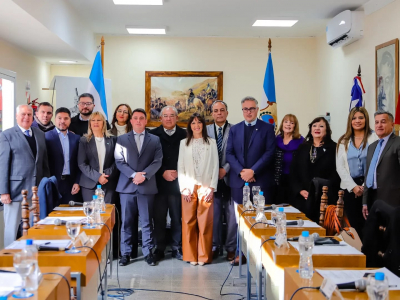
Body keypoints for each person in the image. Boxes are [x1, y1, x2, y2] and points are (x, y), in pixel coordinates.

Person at [226, 96, 275, 265]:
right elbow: (229, 154)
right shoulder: (234, 129)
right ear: (242, 110)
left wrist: (253, 171)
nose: (248, 112)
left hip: (260, 180)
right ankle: (241, 253)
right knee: (241, 221)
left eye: (252, 108)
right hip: (239, 182)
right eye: (245, 109)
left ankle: (260, 255)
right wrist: (242, 172)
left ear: (257, 110)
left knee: (259, 219)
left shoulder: (267, 129)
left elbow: (269, 153)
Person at [114, 108, 162, 266]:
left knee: (147, 222)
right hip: (127, 187)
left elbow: (157, 161)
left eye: (142, 118)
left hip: (147, 187)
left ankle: (148, 253)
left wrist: (144, 175)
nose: (139, 121)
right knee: (126, 222)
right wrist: (134, 175)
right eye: (135, 118)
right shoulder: (121, 139)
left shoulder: (154, 140)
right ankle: (125, 254)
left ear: (146, 120)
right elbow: (119, 161)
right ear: (131, 121)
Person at [0, 105, 50, 247]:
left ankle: (29, 256)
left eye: (29, 114)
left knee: (34, 227)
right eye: (23, 114)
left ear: (33, 117)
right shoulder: (6, 135)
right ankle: (9, 260)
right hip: (15, 191)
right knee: (12, 228)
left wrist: (45, 185)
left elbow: (43, 162)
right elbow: (3, 165)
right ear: (16, 116)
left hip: (36, 191)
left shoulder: (39, 134)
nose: (26, 117)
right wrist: (3, 192)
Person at [178, 113, 219, 266]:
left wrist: (212, 187)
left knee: (205, 223)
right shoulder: (184, 143)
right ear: (189, 126)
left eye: (199, 122)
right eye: (193, 123)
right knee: (188, 221)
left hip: (206, 187)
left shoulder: (211, 143)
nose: (196, 125)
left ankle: (203, 256)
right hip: (188, 187)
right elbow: (180, 167)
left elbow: (215, 165)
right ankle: (190, 256)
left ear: (203, 125)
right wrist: (184, 189)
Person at [149, 106, 186, 261]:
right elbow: (149, 159)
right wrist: (162, 171)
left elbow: (189, 158)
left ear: (177, 118)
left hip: (178, 183)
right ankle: (160, 248)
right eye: (165, 116)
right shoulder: (152, 135)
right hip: (159, 183)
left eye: (172, 116)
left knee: (177, 217)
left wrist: (179, 171)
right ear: (161, 118)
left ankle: (177, 247)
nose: (169, 118)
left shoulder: (185, 134)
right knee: (159, 218)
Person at [336, 107, 377, 239]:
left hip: (370, 186)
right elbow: (340, 167)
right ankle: (357, 253)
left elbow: (376, 163)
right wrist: (353, 187)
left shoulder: (374, 137)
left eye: (361, 117)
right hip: (350, 188)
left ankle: (369, 256)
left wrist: (365, 186)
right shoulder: (343, 140)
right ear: (350, 121)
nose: (357, 121)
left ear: (366, 119)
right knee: (354, 224)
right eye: (354, 118)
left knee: (369, 224)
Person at [291, 117, 340, 220]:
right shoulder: (303, 147)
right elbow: (294, 172)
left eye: (321, 126)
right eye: (314, 126)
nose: (317, 128)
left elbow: (336, 174)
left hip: (324, 198)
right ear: (310, 130)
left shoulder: (334, 148)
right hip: (303, 197)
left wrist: (321, 191)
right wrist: (300, 190)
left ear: (327, 130)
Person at [206, 101, 236, 261]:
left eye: (222, 110)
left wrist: (225, 168)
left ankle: (231, 248)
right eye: (216, 111)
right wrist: (213, 171)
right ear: (212, 113)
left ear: (227, 112)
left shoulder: (235, 130)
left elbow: (239, 154)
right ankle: (215, 246)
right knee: (214, 216)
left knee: (232, 217)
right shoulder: (205, 130)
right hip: (211, 180)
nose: (219, 113)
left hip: (230, 179)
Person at [362, 110, 400, 219]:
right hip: (372, 198)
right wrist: (365, 202)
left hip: (392, 200)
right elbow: (367, 175)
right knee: (373, 233)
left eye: (383, 122)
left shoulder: (397, 143)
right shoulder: (372, 147)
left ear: (392, 125)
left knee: (390, 233)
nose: (379, 125)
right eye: (376, 122)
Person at [78, 112, 119, 204]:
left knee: (107, 214)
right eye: (93, 120)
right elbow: (82, 163)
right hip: (89, 184)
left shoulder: (113, 140)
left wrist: (106, 175)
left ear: (103, 123)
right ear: (90, 124)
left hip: (108, 182)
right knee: (92, 214)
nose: (96, 122)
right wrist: (98, 177)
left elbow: (117, 161)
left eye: (99, 120)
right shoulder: (84, 141)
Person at [45, 107, 81, 204]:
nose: (62, 121)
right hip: (53, 182)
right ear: (55, 120)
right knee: (52, 214)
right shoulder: (46, 136)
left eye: (66, 118)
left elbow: (79, 163)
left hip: (71, 184)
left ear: (70, 120)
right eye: (59, 118)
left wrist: (77, 182)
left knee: (71, 215)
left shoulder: (76, 138)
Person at [274, 114, 304, 205]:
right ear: (282, 124)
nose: (288, 125)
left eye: (291, 123)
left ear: (295, 126)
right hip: (277, 179)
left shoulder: (301, 141)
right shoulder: (276, 139)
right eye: (286, 122)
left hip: (293, 179)